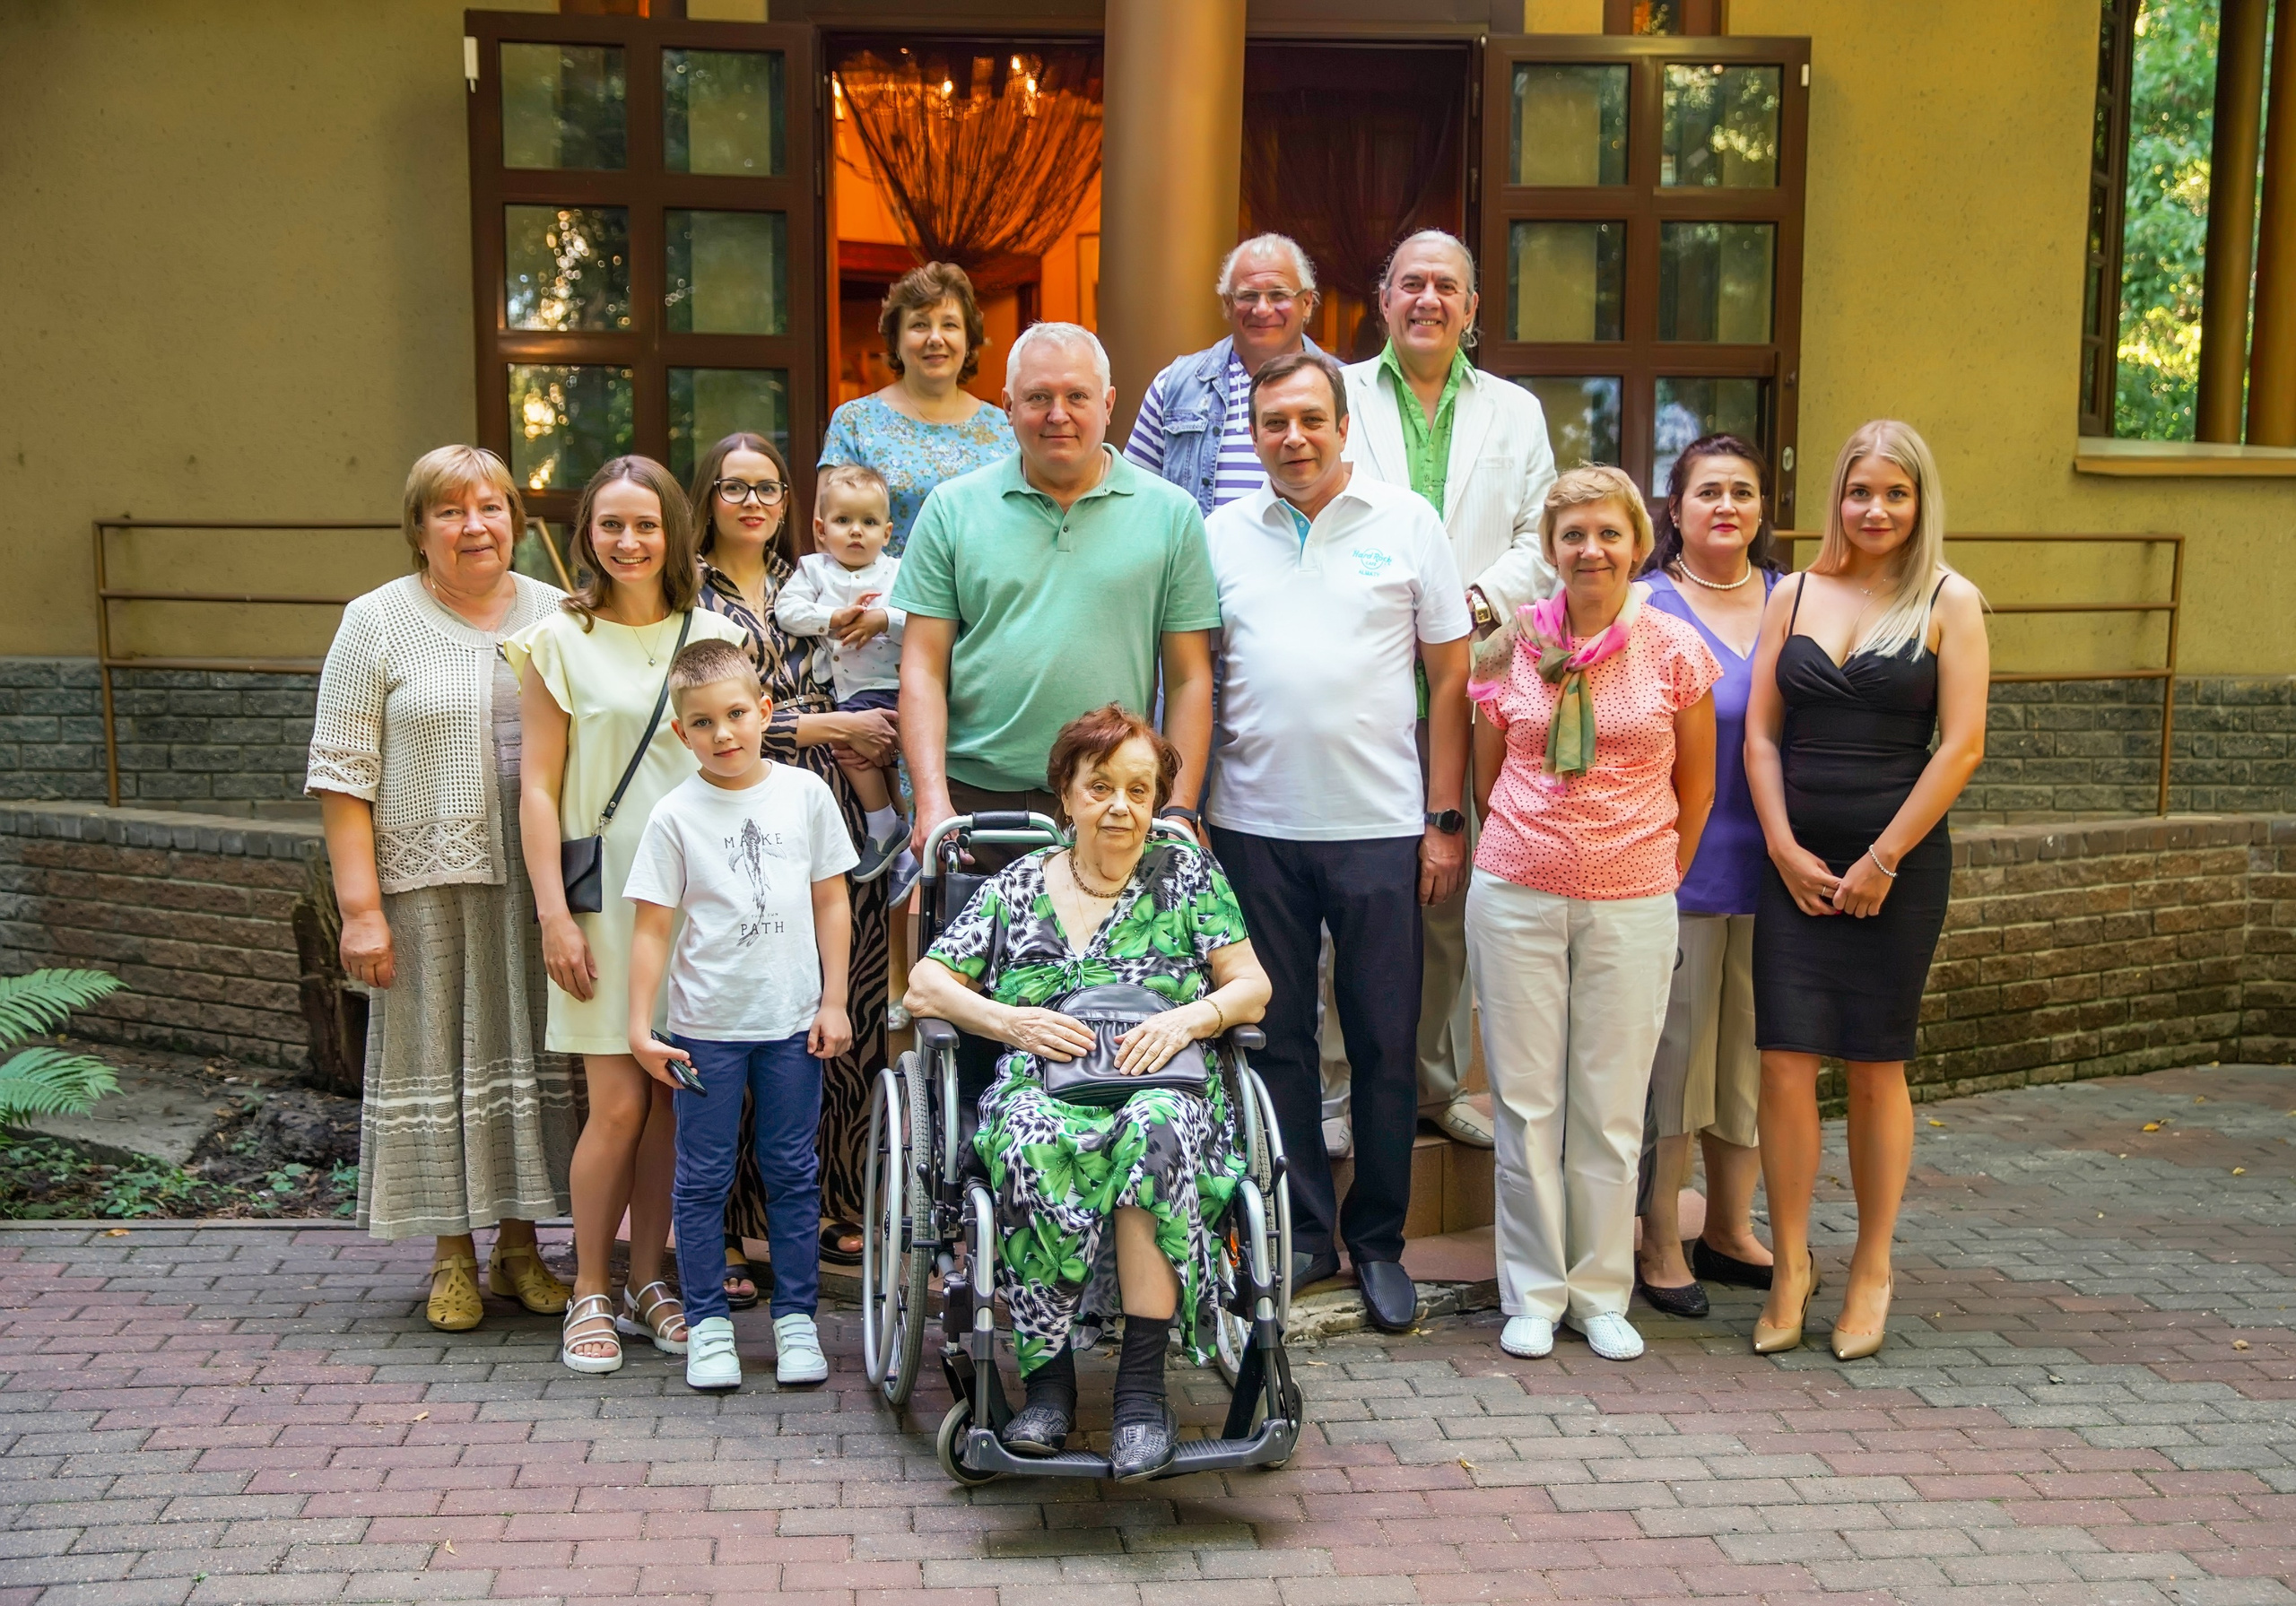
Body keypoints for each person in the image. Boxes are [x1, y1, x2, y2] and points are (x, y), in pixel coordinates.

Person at [902, 705, 1272, 1481]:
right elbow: (925, 985)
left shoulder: (1187, 876)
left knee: (1158, 1126)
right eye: (1100, 786)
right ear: (1064, 795)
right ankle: (1049, 1388)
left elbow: (1252, 985)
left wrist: (1186, 1020)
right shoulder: (1014, 886)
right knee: (1037, 1138)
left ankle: (1141, 1392)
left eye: (1139, 790)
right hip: (1041, 1085)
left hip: (1161, 1083)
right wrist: (1010, 1022)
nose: (1121, 807)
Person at [1202, 351, 1471, 1333]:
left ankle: (1381, 1240)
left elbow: (1450, 680)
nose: (1293, 438)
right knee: (1273, 1041)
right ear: (1255, 433)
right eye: (1274, 422)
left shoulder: (1408, 524)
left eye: (1310, 419)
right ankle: (1306, 1232)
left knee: (1382, 1044)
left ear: (1343, 422)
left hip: (1381, 829)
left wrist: (1444, 819)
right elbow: (1193, 672)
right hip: (1252, 825)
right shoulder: (1221, 533)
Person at [308, 446, 576, 1331]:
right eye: (450, 511)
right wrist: (359, 912)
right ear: (419, 528)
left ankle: (519, 1246)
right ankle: (450, 1256)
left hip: (536, 882)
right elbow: (343, 776)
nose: (474, 526)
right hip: (424, 887)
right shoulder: (376, 621)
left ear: (515, 517)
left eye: (491, 506)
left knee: (531, 1060)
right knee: (439, 1065)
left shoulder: (558, 611)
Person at [1744, 421, 1987, 1362]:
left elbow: (1961, 745)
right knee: (1783, 1063)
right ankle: (1791, 1263)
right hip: (1795, 866)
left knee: (1876, 1064)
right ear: (1836, 498)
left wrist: (1880, 860)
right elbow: (1761, 736)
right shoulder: (1793, 593)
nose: (1875, 510)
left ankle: (1872, 1266)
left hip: (1899, 865)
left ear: (1919, 501)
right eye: (1859, 492)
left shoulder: (1949, 600)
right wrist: (1782, 846)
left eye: (1894, 493)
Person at [1465, 466, 1718, 1363]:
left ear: (1637, 544)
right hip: (1516, 892)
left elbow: (1698, 781)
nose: (1590, 550)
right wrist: (1539, 844)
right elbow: (1490, 769)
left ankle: (1600, 1290)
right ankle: (1532, 1293)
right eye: (1572, 534)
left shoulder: (1674, 649)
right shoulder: (1506, 648)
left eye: (1607, 533)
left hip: (1633, 898)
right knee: (1527, 1102)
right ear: (1550, 548)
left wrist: (1653, 871)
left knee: (1610, 1106)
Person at [505, 456, 751, 1374]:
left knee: (671, 1106)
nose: (629, 541)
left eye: (646, 524)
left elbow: (742, 760)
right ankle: (590, 1292)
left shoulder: (713, 632)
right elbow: (537, 787)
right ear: (587, 535)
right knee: (614, 1104)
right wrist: (551, 915)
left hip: (702, 900)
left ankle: (652, 1282)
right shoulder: (555, 639)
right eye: (610, 524)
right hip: (602, 901)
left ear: (675, 531)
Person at [1342, 229, 1560, 1153]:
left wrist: (1469, 602)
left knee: (1452, 873)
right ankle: (1333, 1088)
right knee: (1351, 877)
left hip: (1479, 670)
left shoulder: (1515, 411)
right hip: (1362, 660)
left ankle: (1435, 1084)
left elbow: (1542, 530)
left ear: (1472, 311)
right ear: (1384, 298)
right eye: (1411, 283)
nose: (1428, 298)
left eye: (1447, 287)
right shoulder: (1339, 394)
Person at [687, 431, 900, 1292]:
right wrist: (826, 727)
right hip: (743, 807)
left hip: (837, 804)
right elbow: (699, 716)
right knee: (752, 1009)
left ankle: (836, 1203)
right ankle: (735, 1226)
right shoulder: (687, 592)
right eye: (734, 487)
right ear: (708, 496)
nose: (750, 502)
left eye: (766, 486)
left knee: (848, 1001)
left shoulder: (805, 578)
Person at [893, 323, 1222, 864]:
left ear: (1109, 402)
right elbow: (922, 667)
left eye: (1077, 396)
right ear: (1007, 405)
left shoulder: (1171, 514)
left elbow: (1189, 677)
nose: (1057, 414)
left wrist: (1180, 808)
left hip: (1113, 798)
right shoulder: (953, 509)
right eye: (1038, 397)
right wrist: (931, 801)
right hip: (977, 805)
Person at [624, 638, 857, 1392]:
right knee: (701, 1179)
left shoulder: (805, 795)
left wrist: (835, 998)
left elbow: (832, 900)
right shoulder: (673, 814)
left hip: (793, 1024)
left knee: (793, 1171)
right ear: (678, 732)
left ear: (764, 711)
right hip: (703, 1031)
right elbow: (654, 928)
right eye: (701, 723)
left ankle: (795, 1320)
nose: (722, 734)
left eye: (734, 715)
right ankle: (710, 1327)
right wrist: (639, 1027)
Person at [1633, 435, 1782, 1318]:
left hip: (1777, 873)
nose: (1725, 505)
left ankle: (1728, 1228)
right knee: (1677, 1064)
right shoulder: (1648, 605)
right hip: (1678, 870)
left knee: (1753, 1061)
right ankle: (1660, 1237)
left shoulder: (1793, 599)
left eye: (1743, 492)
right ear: (1676, 509)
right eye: (1707, 492)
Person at [772, 462, 915, 893]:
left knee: (850, 749)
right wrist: (830, 616)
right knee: (862, 755)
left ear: (887, 533)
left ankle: (883, 826)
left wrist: (882, 618)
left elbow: (921, 618)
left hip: (896, 687)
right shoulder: (814, 571)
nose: (857, 531)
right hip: (849, 692)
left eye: (869, 522)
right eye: (843, 521)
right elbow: (787, 611)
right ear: (821, 528)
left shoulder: (897, 571)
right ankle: (900, 851)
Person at [819, 260, 1018, 556]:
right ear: (896, 341)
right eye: (919, 325)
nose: (935, 338)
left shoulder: (1005, 427)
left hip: (985, 599)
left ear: (968, 340)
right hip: (883, 599)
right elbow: (828, 536)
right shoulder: (855, 422)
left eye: (949, 325)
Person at [1125, 231, 1325, 513]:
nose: (1262, 309)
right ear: (1228, 305)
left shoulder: (1347, 386)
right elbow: (1134, 496)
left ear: (1306, 303)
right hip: (1199, 558)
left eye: (1278, 294)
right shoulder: (1173, 386)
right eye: (1248, 296)